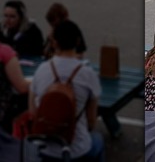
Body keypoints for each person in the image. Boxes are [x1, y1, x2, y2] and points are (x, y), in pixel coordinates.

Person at [29, 20, 103, 161]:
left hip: (45, 147)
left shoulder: (41, 70)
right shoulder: (88, 74)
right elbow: (92, 121)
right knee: (97, 139)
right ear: (78, 41)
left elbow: (33, 112)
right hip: (76, 149)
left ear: (54, 43)